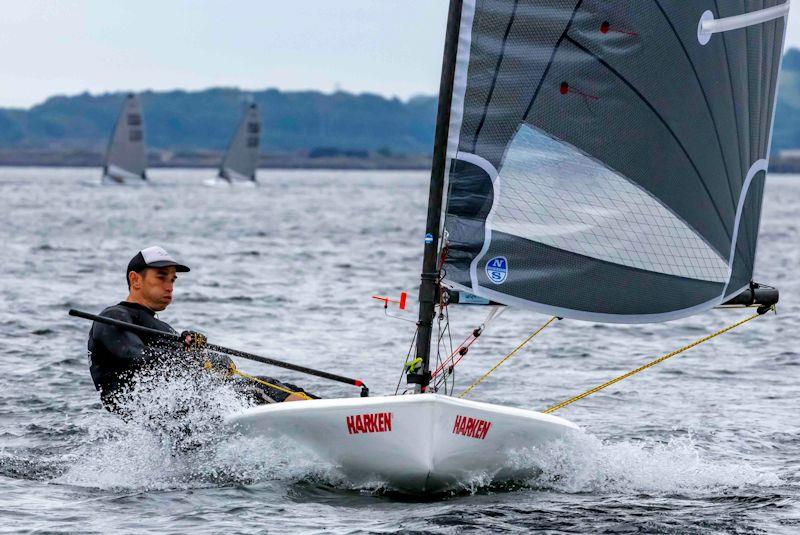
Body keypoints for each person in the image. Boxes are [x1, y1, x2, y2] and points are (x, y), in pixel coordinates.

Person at [87, 246, 313, 413]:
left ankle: (340, 415)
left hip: (186, 405)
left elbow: (174, 364)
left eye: (173, 280)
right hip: (161, 410)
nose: (169, 287)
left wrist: (190, 350)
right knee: (261, 390)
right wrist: (201, 361)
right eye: (161, 277)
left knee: (279, 385)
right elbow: (138, 357)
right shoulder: (113, 318)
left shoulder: (159, 326)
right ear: (135, 280)